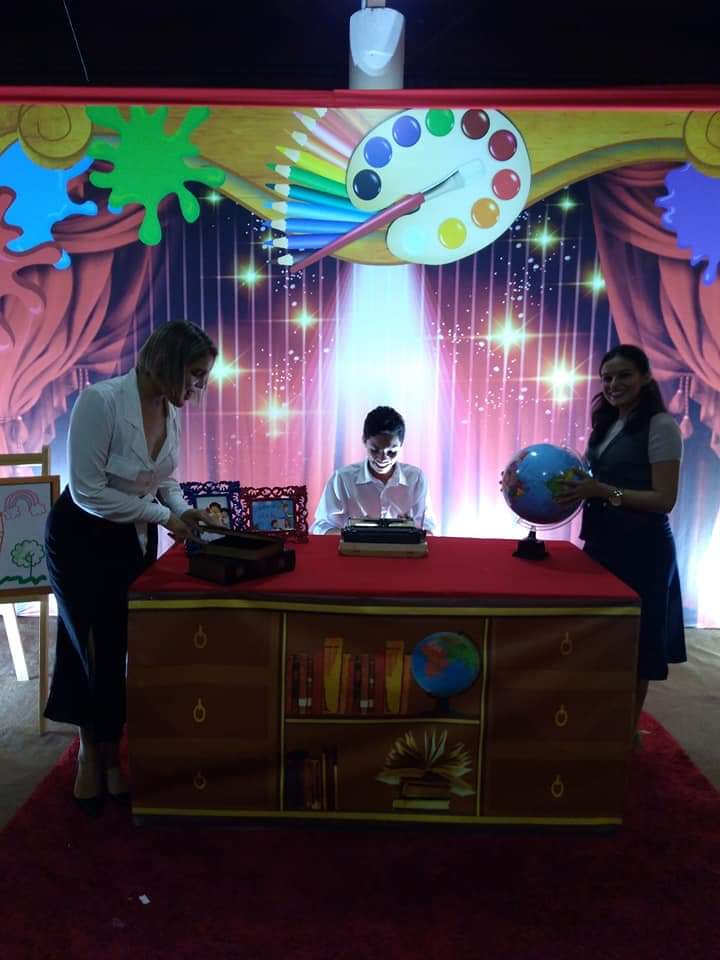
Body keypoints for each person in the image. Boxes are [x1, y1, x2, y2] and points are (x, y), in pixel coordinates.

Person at [44, 320, 218, 815]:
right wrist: (164, 517)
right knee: (90, 647)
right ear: (167, 363)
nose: (201, 386)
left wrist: (183, 511)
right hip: (80, 540)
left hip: (131, 538)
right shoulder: (99, 402)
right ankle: (89, 753)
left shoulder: (169, 407)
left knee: (119, 645)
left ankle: (110, 753)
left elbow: (164, 479)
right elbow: (88, 493)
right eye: (196, 374)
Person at [555, 344, 685, 744]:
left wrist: (602, 491)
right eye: (607, 378)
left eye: (624, 375)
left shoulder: (661, 426)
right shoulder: (608, 423)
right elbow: (592, 483)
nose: (613, 384)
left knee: (636, 645)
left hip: (643, 550)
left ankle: (626, 733)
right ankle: (602, 722)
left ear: (645, 377)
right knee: (603, 639)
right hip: (602, 544)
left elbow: (664, 499)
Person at [310, 406, 436, 534]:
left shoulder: (416, 479)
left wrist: (411, 529)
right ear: (364, 441)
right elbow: (321, 526)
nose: (383, 458)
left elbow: (428, 529)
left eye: (391, 452)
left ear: (401, 445)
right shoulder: (342, 479)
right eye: (375, 450)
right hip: (354, 546)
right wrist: (352, 533)